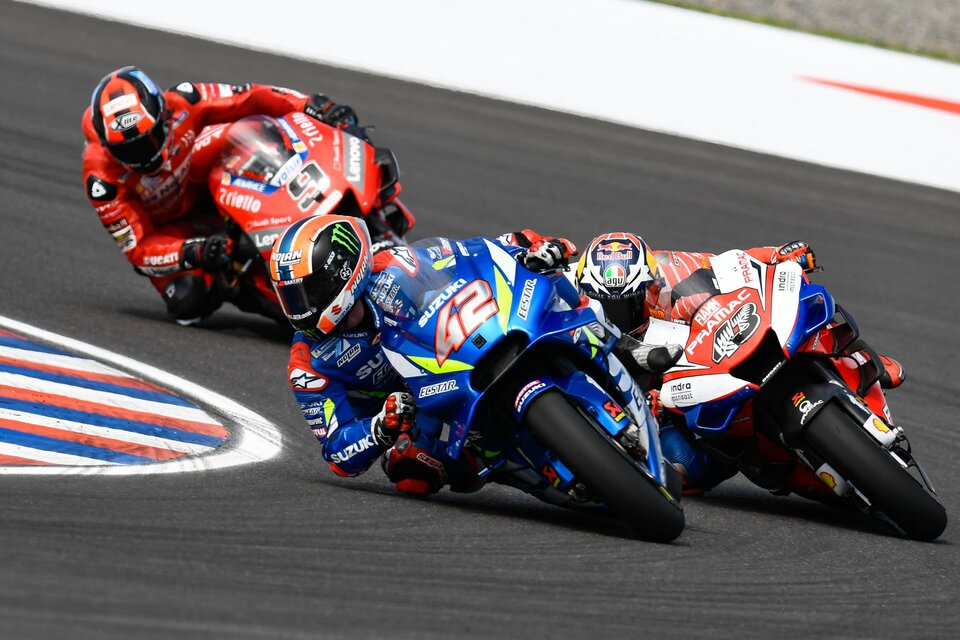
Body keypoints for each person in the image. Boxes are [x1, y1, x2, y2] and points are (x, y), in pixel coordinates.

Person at [269, 216, 678, 497]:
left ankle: (621, 346)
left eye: (306, 292)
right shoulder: (309, 363)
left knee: (549, 276)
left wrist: (529, 248)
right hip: (418, 410)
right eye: (290, 296)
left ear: (342, 272)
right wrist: (380, 427)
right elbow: (337, 452)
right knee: (411, 472)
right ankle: (521, 471)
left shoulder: (396, 264)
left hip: (460, 349)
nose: (299, 307)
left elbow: (471, 254)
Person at [575, 232, 906, 493]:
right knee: (682, 472)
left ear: (650, 284)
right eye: (610, 306)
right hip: (678, 401)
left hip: (722, 348)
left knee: (803, 297)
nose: (622, 315)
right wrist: (643, 406)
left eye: (629, 302)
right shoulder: (588, 328)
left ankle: (858, 358)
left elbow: (732, 263)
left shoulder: (671, 268)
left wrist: (777, 255)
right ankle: (759, 457)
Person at [82, 66, 361, 325]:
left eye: (150, 139)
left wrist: (311, 105)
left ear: (163, 116)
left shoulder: (184, 100)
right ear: (107, 146)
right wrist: (194, 251)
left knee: (249, 130)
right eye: (128, 150)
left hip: (203, 183)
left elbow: (252, 97)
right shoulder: (101, 180)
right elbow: (139, 250)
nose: (144, 157)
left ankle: (320, 186)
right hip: (175, 230)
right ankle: (251, 287)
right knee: (189, 300)